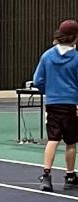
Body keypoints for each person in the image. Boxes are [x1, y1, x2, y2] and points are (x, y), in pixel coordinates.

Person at [32, 19, 78, 193]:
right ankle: (70, 176)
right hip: (71, 104)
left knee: (53, 139)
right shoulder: (76, 58)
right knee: (71, 142)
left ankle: (46, 175)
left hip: (52, 104)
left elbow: (38, 80)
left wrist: (49, 91)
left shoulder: (47, 56)